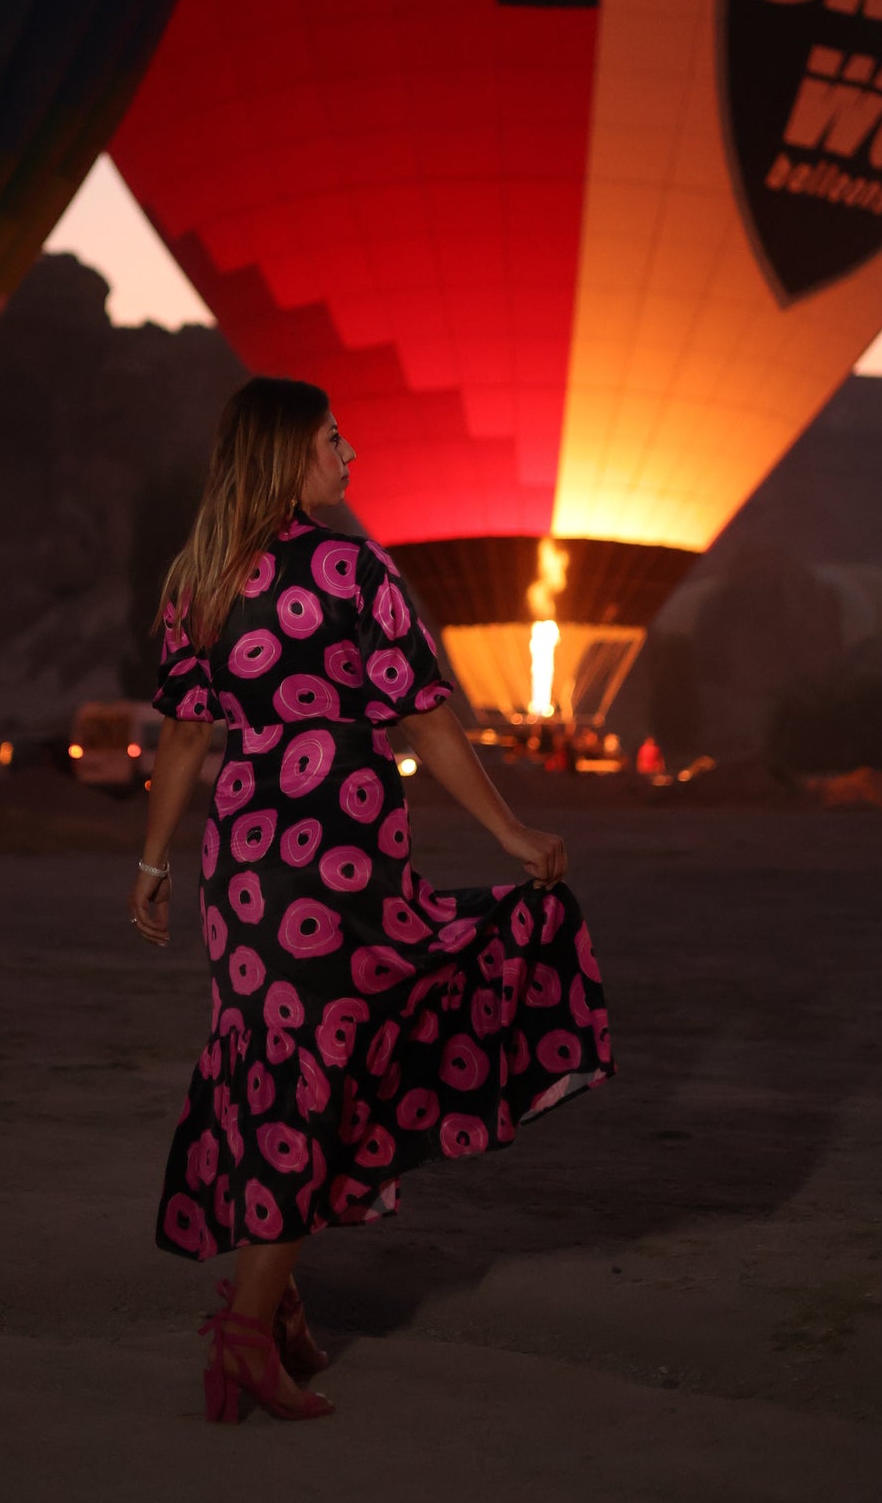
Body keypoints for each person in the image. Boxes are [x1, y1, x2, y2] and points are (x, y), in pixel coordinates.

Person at [128, 378, 614, 1424]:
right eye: (331, 440)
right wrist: (511, 833)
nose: (350, 456)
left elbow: (181, 737)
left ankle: (280, 1307)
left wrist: (153, 864)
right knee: (320, 1070)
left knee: (270, 1062)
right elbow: (428, 723)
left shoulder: (195, 579)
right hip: (338, 858)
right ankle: (247, 1335)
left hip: (243, 858)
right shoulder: (351, 568)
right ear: (286, 457)